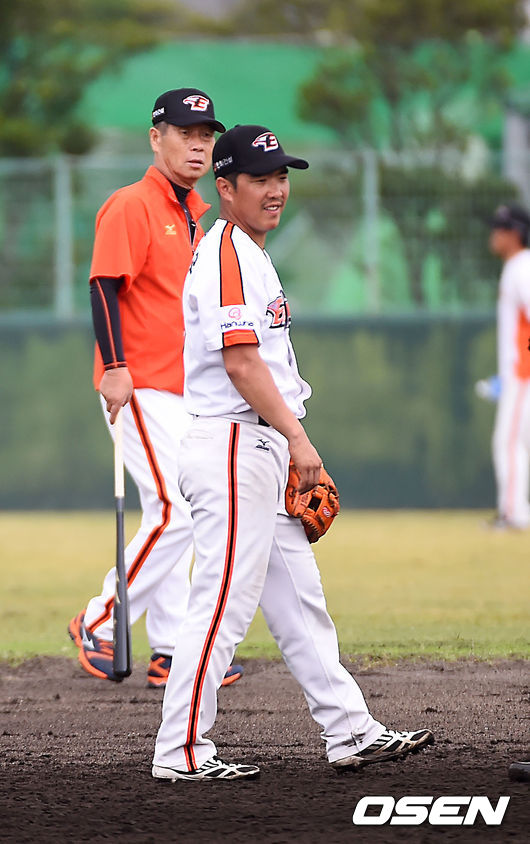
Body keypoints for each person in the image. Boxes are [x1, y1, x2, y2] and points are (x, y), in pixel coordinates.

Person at [151, 124, 434, 781]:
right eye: (260, 178)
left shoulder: (251, 252)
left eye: (282, 175)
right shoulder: (227, 252)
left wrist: (288, 444)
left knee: (301, 603)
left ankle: (351, 731)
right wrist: (299, 441)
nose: (276, 189)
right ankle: (180, 752)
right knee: (221, 605)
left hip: (258, 445)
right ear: (226, 188)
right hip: (232, 444)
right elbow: (242, 363)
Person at [68, 88, 242, 689]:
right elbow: (103, 285)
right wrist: (115, 367)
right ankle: (100, 619)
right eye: (185, 133)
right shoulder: (131, 205)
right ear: (155, 137)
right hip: (138, 383)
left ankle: (171, 650)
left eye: (206, 135)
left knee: (175, 511)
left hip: (183, 389)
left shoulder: (196, 214)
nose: (198, 145)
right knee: (177, 511)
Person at [487, 202, 530, 529]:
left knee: (509, 442)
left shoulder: (521, 267)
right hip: (516, 373)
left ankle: (513, 513)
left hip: (522, 372)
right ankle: (513, 511)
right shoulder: (517, 266)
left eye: (499, 229)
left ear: (515, 233)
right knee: (514, 442)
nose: (493, 235)